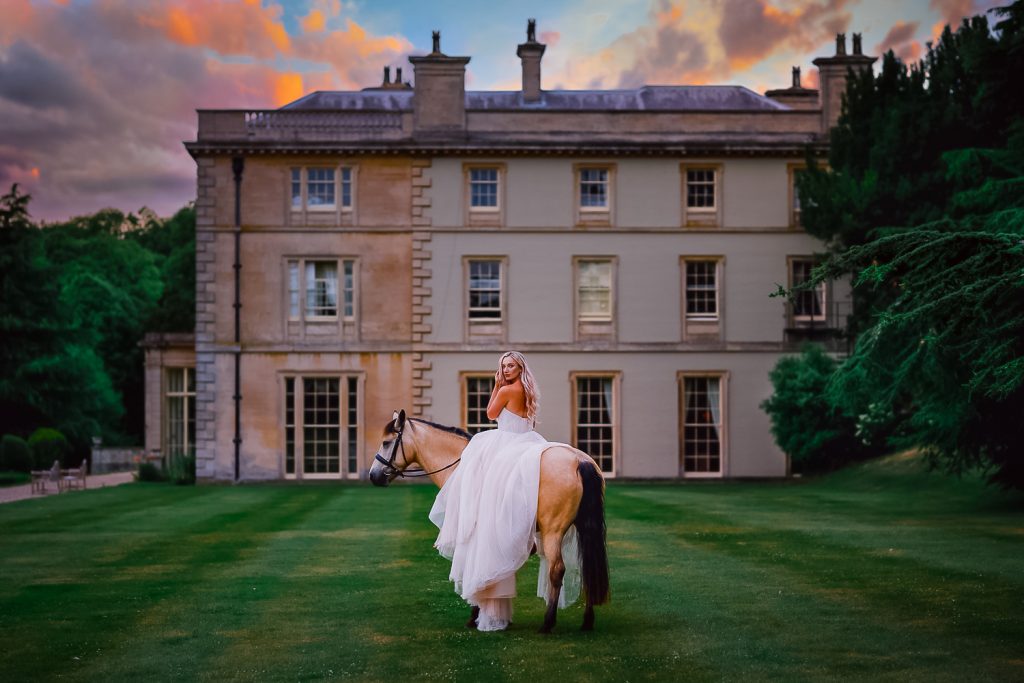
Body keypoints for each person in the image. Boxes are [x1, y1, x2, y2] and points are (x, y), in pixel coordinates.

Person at [429, 351, 576, 631]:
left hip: (507, 443)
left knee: (479, 475)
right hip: (526, 441)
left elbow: (491, 413)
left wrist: (497, 385)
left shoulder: (508, 389)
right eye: (503, 366)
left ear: (519, 368)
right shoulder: (528, 390)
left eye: (510, 366)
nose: (506, 370)